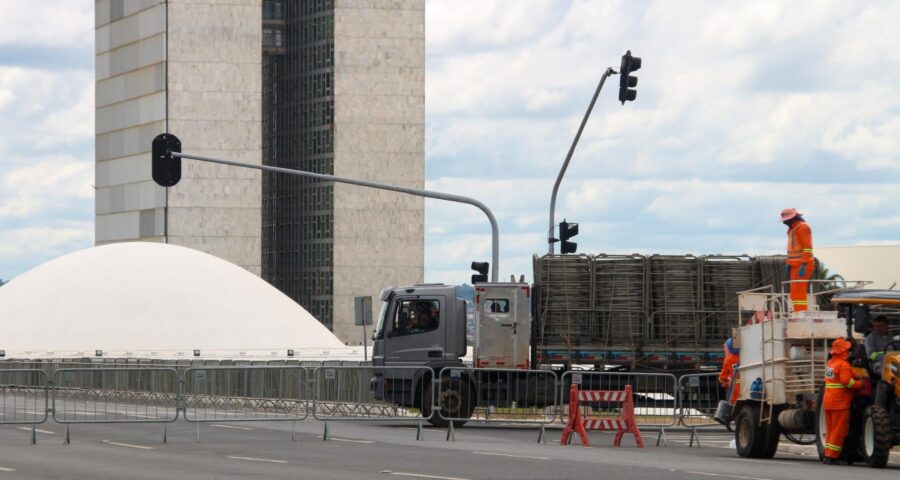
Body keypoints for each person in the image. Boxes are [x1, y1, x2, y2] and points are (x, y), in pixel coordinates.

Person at [822, 338, 863, 465]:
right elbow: (846, 381)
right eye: (847, 349)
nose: (850, 352)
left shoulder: (830, 363)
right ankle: (833, 456)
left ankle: (827, 454)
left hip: (828, 402)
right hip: (840, 403)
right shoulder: (843, 365)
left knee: (831, 429)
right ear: (843, 351)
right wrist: (859, 384)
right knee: (838, 431)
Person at [781, 208, 814, 312]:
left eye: (786, 220)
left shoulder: (802, 227)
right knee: (794, 293)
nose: (784, 222)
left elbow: (807, 247)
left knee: (799, 293)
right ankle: (797, 312)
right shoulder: (792, 229)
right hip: (795, 265)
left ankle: (801, 314)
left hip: (803, 265)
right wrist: (788, 262)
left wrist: (804, 264)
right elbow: (792, 249)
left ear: (793, 218)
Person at [719, 338, 741, 404]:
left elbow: (723, 377)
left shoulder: (728, 360)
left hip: (734, 389)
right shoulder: (746, 356)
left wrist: (723, 380)